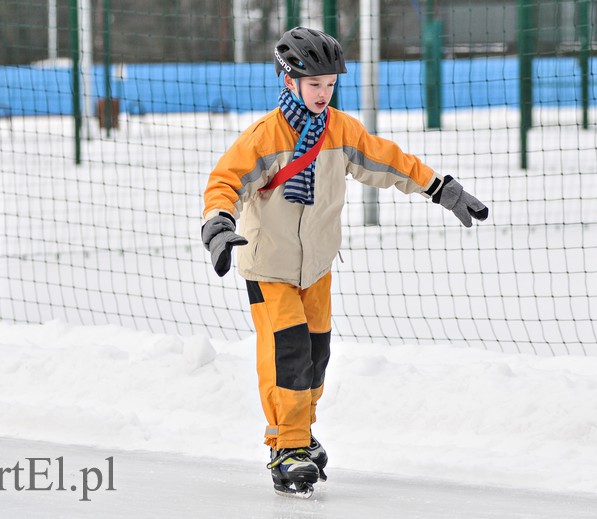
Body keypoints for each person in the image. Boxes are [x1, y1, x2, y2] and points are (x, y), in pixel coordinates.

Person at [202, 27, 488, 496]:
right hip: (269, 266)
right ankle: (286, 445)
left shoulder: (340, 130)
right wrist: (218, 225)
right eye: (314, 84)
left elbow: (389, 162)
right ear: (289, 80)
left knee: (316, 356)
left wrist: (441, 188)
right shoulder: (263, 137)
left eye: (331, 84)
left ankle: (300, 432)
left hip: (316, 267)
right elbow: (225, 183)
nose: (324, 93)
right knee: (288, 353)